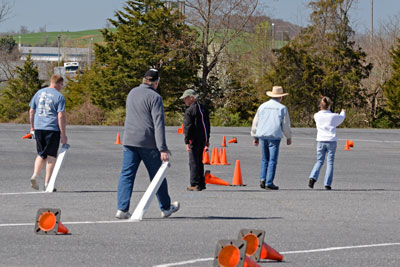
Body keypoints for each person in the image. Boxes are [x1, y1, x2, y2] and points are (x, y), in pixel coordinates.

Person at [116, 68, 180, 219]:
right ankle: (165, 207)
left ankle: (122, 208)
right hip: (147, 142)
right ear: (156, 83)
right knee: (157, 176)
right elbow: (158, 124)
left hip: (129, 140)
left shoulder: (132, 93)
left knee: (127, 175)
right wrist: (162, 148)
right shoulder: (155, 97)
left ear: (144, 79)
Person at [29, 74, 68, 191]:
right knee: (51, 156)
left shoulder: (39, 93)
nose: (61, 87)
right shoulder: (59, 97)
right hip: (51, 128)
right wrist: (63, 133)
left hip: (39, 127)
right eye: (61, 84)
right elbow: (60, 115)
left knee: (41, 153)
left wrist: (32, 127)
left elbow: (31, 111)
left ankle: (35, 175)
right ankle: (48, 183)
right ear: (58, 83)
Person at [251, 86, 292, 190]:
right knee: (273, 160)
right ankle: (269, 182)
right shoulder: (282, 108)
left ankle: (262, 178)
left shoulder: (262, 106)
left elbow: (256, 121)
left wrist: (255, 135)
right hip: (274, 135)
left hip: (262, 135)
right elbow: (285, 124)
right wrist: (288, 136)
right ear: (280, 97)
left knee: (265, 159)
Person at [308, 97, 345, 190]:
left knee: (319, 161)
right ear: (329, 105)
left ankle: (313, 177)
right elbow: (341, 118)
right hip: (331, 140)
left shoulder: (317, 115)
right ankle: (327, 183)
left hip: (320, 140)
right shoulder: (333, 116)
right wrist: (343, 111)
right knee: (330, 162)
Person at [180, 89, 210, 191]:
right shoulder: (203, 108)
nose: (185, 101)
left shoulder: (190, 111)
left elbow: (187, 127)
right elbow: (207, 125)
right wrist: (207, 139)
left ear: (191, 98)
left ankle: (194, 183)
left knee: (193, 162)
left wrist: (187, 141)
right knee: (199, 161)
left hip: (194, 139)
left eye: (186, 98)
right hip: (202, 139)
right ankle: (201, 182)